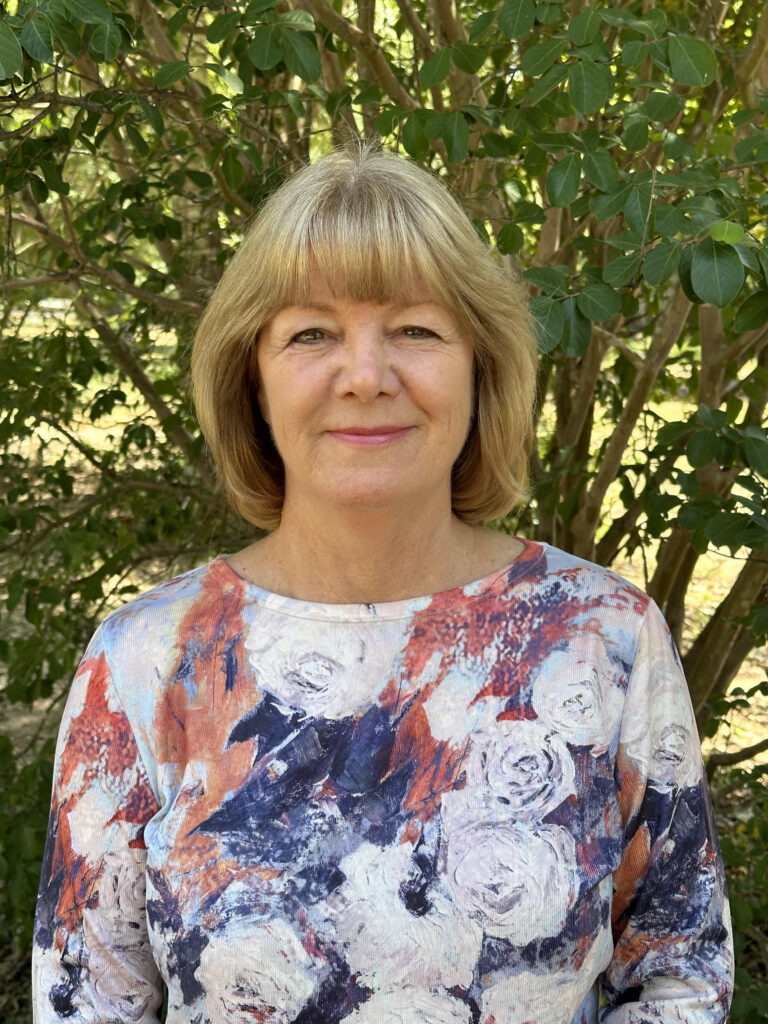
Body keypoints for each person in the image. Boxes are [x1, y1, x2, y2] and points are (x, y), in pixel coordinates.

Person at [33, 142, 734, 1024]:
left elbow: (680, 976)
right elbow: (88, 1002)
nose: (366, 377)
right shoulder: (144, 661)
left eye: (414, 330)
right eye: (311, 334)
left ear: (480, 368)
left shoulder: (607, 637)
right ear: (252, 380)